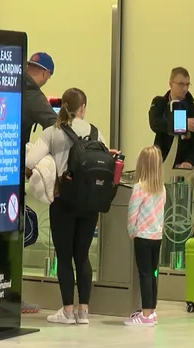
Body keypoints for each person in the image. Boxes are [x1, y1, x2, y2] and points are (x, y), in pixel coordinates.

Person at [26, 88, 115, 325]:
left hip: (64, 201)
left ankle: (67, 310)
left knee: (64, 257)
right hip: (90, 203)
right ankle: (83, 311)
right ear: (82, 108)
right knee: (82, 256)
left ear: (62, 106)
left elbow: (30, 161)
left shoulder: (52, 133)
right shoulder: (97, 132)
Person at [124, 146, 166, 327]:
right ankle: (152, 311)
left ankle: (146, 314)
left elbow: (132, 214)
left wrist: (132, 232)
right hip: (157, 236)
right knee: (153, 274)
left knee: (144, 274)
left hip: (141, 236)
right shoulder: (161, 189)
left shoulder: (139, 188)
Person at [149, 67, 194, 169]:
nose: (185, 88)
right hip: (160, 162)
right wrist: (183, 124)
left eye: (187, 84)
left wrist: (189, 161)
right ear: (170, 84)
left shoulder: (193, 108)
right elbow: (155, 124)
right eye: (181, 84)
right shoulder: (159, 103)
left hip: (183, 166)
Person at [22, 52, 58, 144]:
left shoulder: (12, 84)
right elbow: (56, 125)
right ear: (45, 73)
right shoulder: (34, 96)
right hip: (15, 154)